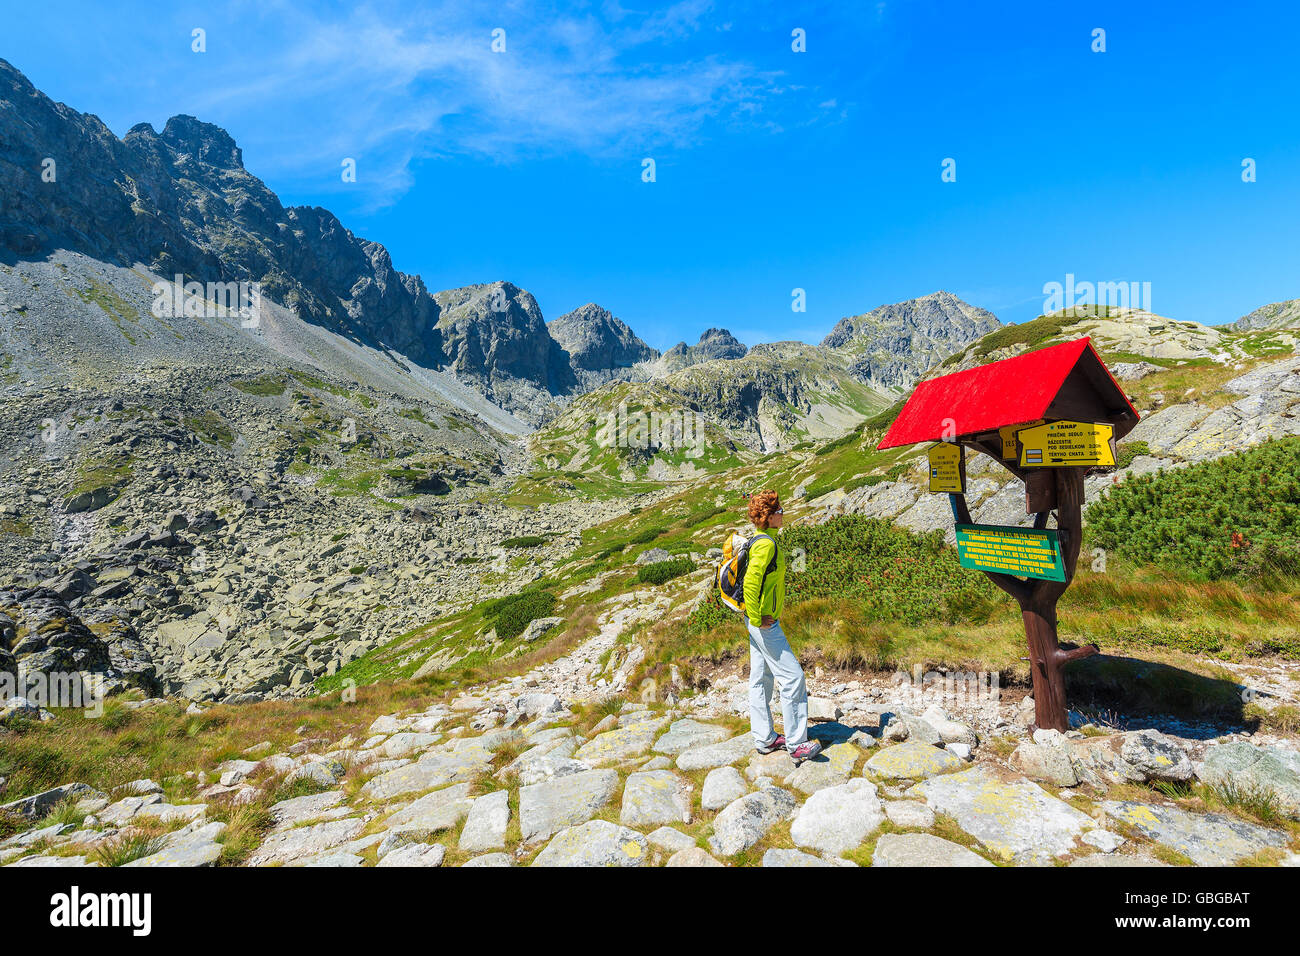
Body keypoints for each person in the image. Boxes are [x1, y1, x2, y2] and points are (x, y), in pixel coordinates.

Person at [743, 490, 822, 763]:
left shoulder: (766, 540)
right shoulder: (765, 544)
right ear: (768, 516)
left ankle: (765, 738)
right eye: (778, 510)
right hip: (764, 624)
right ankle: (797, 743)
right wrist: (756, 618)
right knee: (792, 678)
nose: (782, 514)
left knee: (761, 679)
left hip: (758, 622)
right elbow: (751, 583)